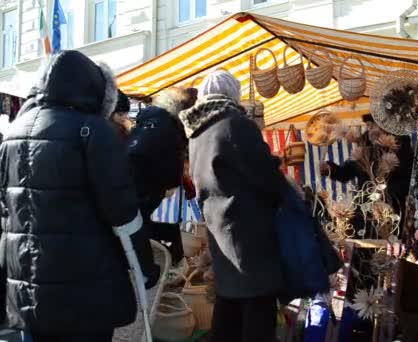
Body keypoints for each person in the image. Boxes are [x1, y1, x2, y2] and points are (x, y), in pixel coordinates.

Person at [0, 50, 159, 341]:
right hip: (84, 291)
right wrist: (146, 271)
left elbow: (7, 210)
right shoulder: (93, 130)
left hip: (26, 289)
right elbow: (122, 213)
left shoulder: (13, 131)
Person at [179, 70, 286, 342]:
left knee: (228, 316)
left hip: (221, 234)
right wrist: (276, 166)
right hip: (250, 240)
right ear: (232, 94)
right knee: (255, 323)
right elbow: (268, 179)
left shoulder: (197, 133)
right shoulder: (235, 124)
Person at [126, 87, 195, 264]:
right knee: (149, 231)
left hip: (130, 186)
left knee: (140, 227)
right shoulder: (168, 129)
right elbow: (172, 174)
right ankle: (167, 264)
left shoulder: (146, 121)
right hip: (150, 189)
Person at [320, 114, 414, 220]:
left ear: (383, 126)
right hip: (366, 209)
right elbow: (345, 173)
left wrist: (384, 191)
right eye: (367, 127)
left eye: (371, 126)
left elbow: (407, 178)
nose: (369, 130)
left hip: (392, 207)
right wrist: (330, 169)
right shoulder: (364, 147)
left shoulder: (401, 146)